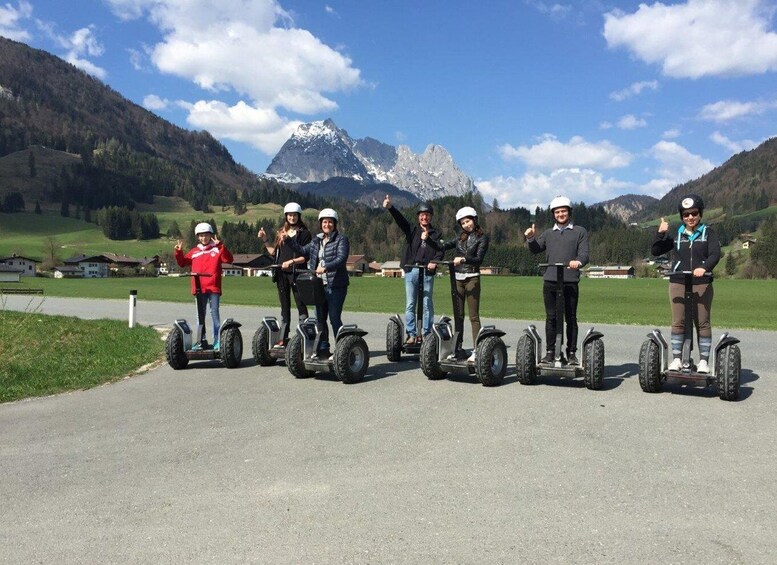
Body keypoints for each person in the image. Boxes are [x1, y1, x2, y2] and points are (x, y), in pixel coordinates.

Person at [651, 194, 720, 373]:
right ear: (682, 216)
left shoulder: (708, 233)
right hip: (679, 281)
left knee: (702, 322)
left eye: (694, 213)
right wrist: (661, 233)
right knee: (678, 322)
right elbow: (656, 250)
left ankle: (703, 361)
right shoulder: (677, 235)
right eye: (686, 214)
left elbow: (715, 254)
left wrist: (704, 267)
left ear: (700, 214)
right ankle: (677, 359)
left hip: (701, 282)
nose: (690, 217)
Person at [524, 196, 589, 365]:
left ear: (569, 212)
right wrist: (531, 238)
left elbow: (584, 254)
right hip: (551, 280)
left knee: (571, 318)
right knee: (551, 318)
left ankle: (572, 353)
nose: (561, 214)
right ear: (553, 214)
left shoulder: (579, 231)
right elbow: (536, 249)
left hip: (570, 281)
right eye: (557, 212)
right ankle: (550, 352)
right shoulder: (548, 233)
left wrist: (578, 262)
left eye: (563, 211)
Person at [283, 208, 350, 359]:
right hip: (318, 285)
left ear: (335, 224)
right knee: (320, 319)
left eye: (330, 222)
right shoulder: (316, 241)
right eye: (324, 222)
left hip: (336, 285)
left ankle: (341, 351)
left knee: (334, 318)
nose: (327, 224)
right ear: (321, 224)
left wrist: (326, 266)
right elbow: (302, 250)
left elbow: (341, 258)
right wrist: (287, 239)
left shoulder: (341, 239)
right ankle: (323, 349)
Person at [383, 194, 443, 345]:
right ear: (418, 217)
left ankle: (428, 334)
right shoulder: (412, 230)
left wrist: (434, 262)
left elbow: (440, 251)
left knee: (427, 303)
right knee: (410, 303)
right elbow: (400, 220)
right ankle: (411, 334)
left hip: (427, 271)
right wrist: (391, 207)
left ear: (431, 217)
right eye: (422, 215)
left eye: (427, 215)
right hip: (412, 270)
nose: (425, 218)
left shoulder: (436, 234)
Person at [436, 206, 490, 362]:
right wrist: (429, 240)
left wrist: (464, 259)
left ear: (475, 220)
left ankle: (476, 350)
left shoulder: (482, 238)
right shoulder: (460, 238)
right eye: (463, 223)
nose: (466, 225)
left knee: (474, 316)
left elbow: (479, 259)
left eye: (468, 221)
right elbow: (443, 245)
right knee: (458, 316)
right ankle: (457, 348)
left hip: (472, 277)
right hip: (457, 278)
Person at [258, 202, 312, 347]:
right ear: (286, 216)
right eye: (289, 215)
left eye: (295, 215)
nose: (292, 217)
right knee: (284, 307)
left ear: (299, 216)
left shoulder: (304, 234)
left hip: (297, 273)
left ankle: (303, 335)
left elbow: (306, 256)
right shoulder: (281, 232)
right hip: (281, 274)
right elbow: (274, 253)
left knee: (301, 304)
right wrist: (265, 239)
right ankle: (283, 336)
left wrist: (291, 262)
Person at [174, 222, 234, 350]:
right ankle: (201, 340)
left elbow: (229, 259)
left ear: (211, 235)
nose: (204, 238)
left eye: (206, 235)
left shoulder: (217, 249)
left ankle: (218, 341)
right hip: (198, 288)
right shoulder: (194, 251)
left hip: (213, 288)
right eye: (201, 235)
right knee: (200, 316)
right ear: (197, 237)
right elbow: (183, 263)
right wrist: (179, 252)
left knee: (214, 314)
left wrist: (221, 245)